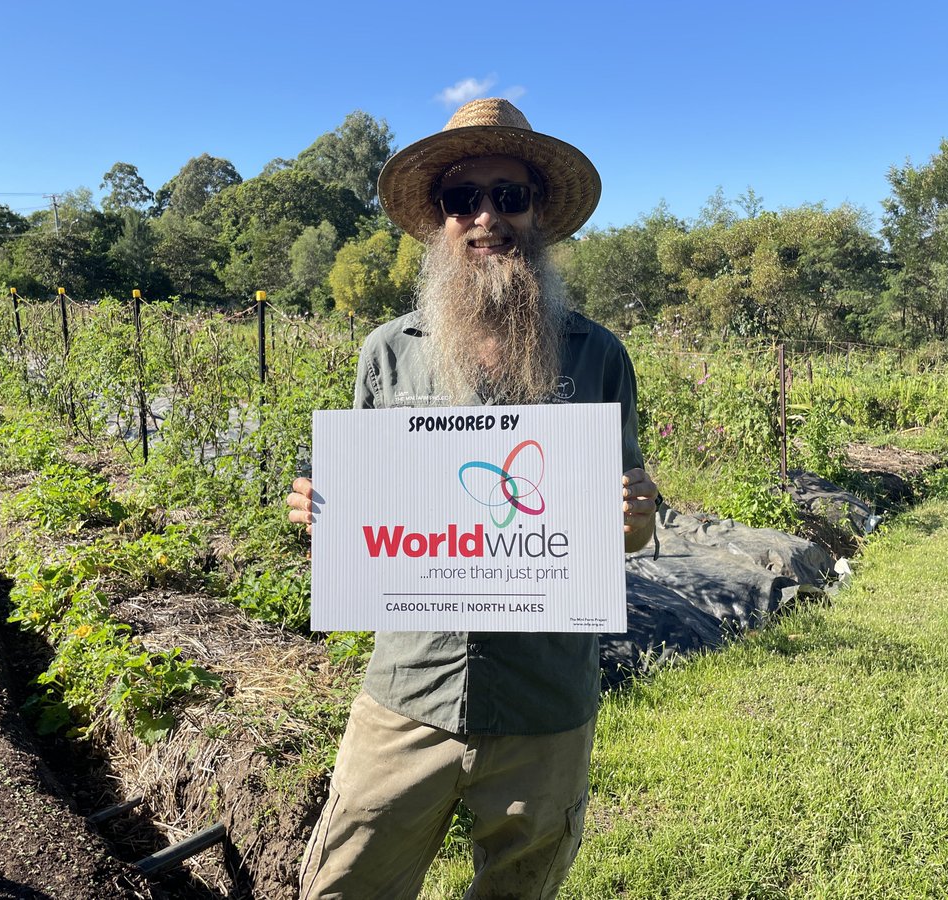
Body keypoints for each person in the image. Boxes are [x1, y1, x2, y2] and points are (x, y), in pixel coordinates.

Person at [287, 97, 658, 899]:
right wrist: (324, 513)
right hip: (408, 691)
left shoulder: (598, 357)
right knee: (344, 886)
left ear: (540, 215)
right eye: (464, 199)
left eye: (509, 196)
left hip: (544, 704)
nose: (487, 216)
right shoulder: (387, 354)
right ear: (440, 221)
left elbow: (624, 532)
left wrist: (635, 518)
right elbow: (356, 521)